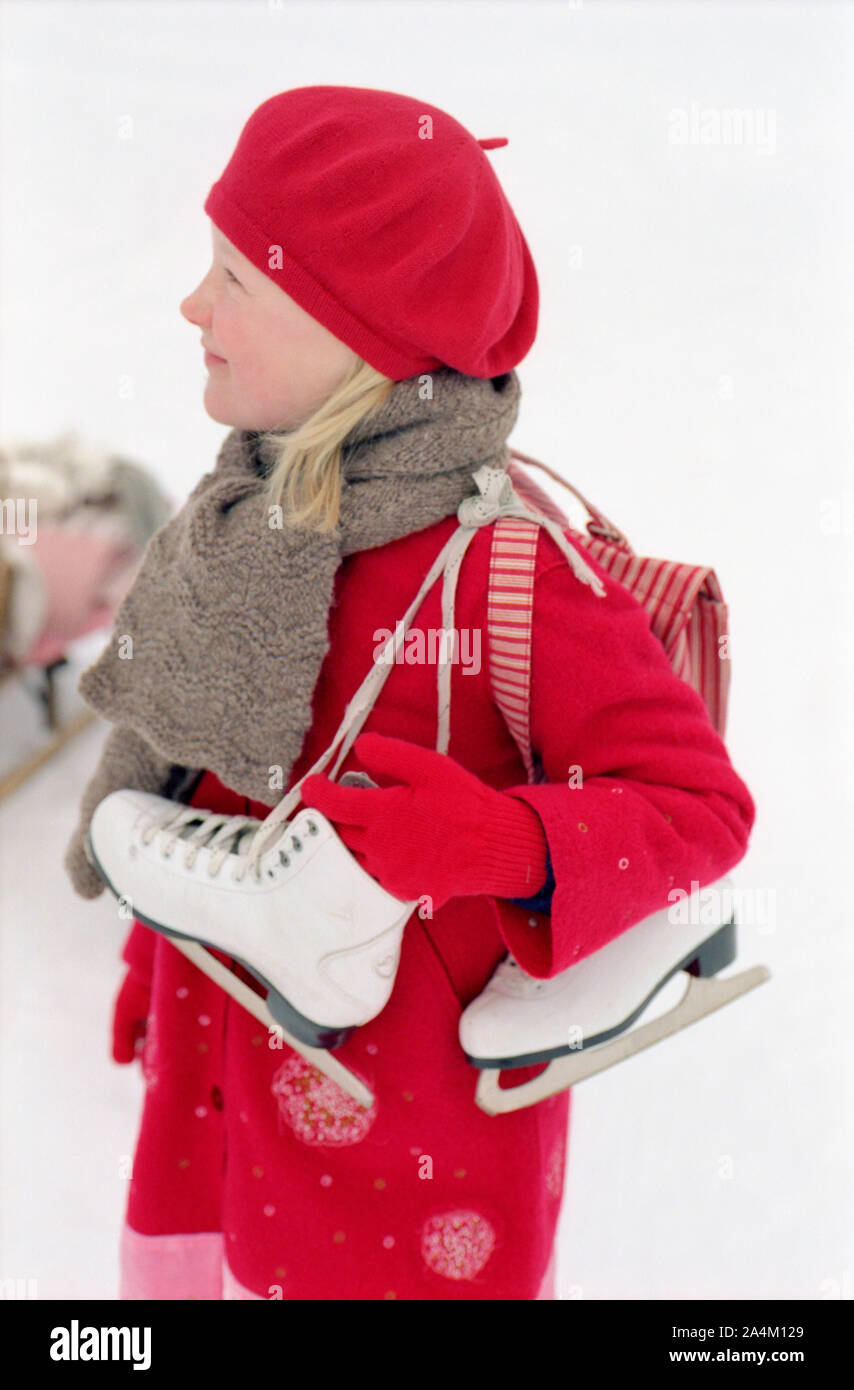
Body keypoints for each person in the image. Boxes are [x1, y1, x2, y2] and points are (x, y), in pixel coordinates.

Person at [65, 86, 756, 1301]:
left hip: (405, 1156)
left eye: (237, 277)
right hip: (219, 1089)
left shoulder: (508, 570)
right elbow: (197, 747)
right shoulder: (246, 520)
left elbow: (700, 815)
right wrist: (156, 943)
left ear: (362, 333)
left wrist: (487, 837)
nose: (192, 305)